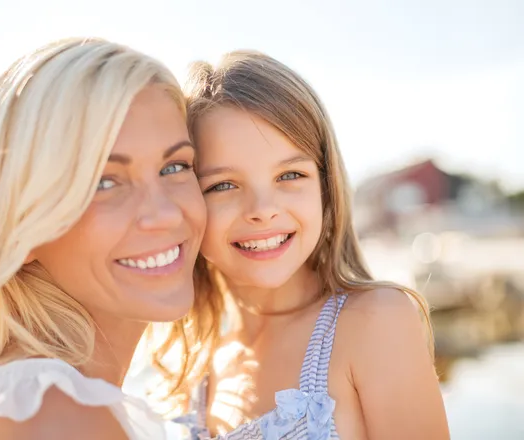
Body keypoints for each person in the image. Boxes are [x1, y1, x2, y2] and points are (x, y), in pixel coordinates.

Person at [0, 37, 206, 440]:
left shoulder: (31, 399)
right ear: (20, 226)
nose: (164, 214)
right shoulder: (54, 415)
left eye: (175, 166)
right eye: (104, 182)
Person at [158, 51, 450, 439]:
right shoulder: (195, 361)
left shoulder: (374, 322)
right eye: (223, 185)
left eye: (290, 174)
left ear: (326, 190)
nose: (263, 211)